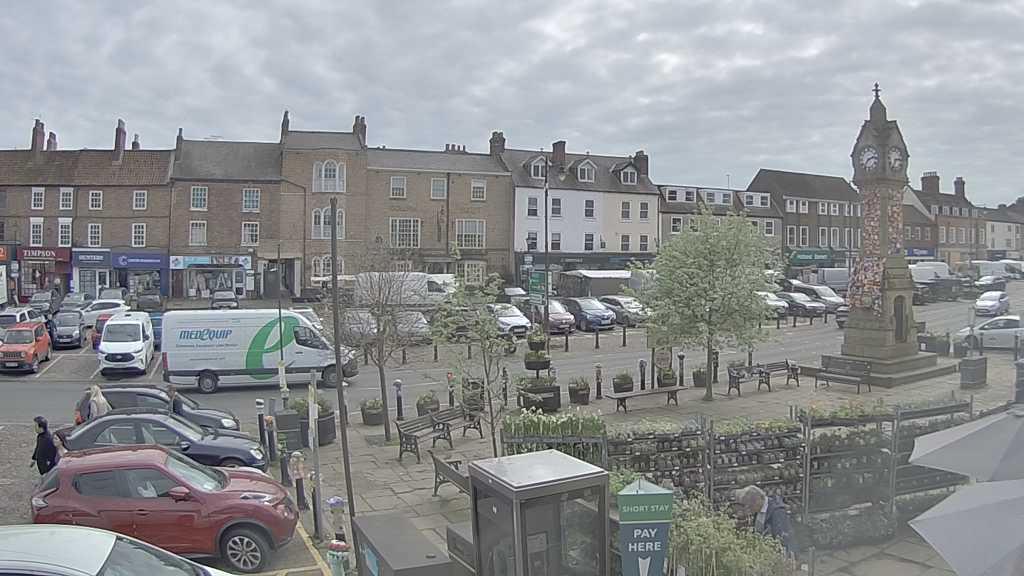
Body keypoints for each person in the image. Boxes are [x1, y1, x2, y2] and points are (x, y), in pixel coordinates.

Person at [736, 485, 795, 554]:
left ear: (758, 499)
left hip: (775, 554)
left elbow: (783, 538)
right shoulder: (758, 510)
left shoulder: (777, 511)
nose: (748, 508)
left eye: (750, 505)